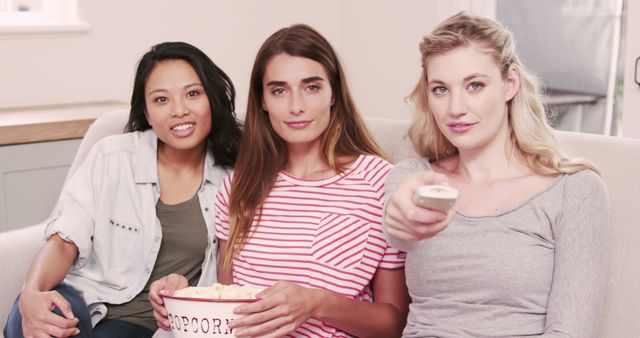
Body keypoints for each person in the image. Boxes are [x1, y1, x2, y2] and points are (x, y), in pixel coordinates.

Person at [150, 24, 409, 338]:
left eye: (311, 87)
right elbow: (230, 307)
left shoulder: (381, 183)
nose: (296, 105)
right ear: (263, 101)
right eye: (279, 90)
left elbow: (394, 323)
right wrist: (182, 300)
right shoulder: (238, 188)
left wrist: (317, 303)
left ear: (333, 94)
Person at [383, 12, 609, 338]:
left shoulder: (575, 189)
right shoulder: (414, 177)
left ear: (510, 83)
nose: (455, 107)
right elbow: (399, 230)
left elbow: (571, 331)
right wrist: (402, 212)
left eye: (475, 85)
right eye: (440, 89)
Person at [3, 41, 242, 338]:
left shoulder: (236, 177)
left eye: (192, 94)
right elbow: (65, 239)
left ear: (213, 99)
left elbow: (234, 274)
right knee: (43, 318)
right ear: (147, 112)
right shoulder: (113, 156)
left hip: (146, 325)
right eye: (161, 99)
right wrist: (31, 294)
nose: (179, 111)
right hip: (84, 302)